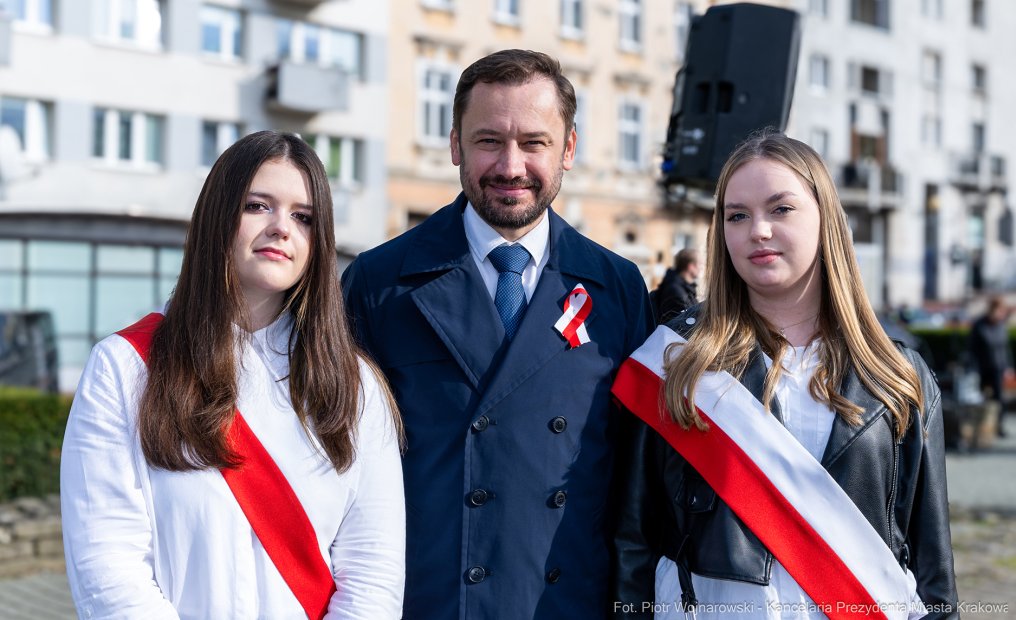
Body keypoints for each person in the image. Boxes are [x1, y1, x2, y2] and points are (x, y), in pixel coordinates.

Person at [341, 49, 654, 620]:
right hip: (429, 605)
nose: (511, 166)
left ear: (569, 149)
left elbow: (640, 490)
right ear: (455, 145)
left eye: (534, 142)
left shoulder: (618, 287)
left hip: (567, 605)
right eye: (488, 141)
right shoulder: (378, 283)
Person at [609, 131, 958, 619]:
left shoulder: (899, 375)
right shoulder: (675, 362)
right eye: (737, 215)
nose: (758, 231)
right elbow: (632, 545)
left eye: (781, 209)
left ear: (826, 220)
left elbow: (933, 568)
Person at [61, 131, 405, 620]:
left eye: (303, 217)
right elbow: (108, 566)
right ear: (216, 218)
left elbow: (374, 576)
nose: (282, 228)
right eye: (258, 206)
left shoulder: (355, 386)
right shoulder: (123, 367)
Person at [967, 296, 1016, 437]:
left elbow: (1006, 349)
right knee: (979, 398)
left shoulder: (1001, 326)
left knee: (999, 399)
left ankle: (998, 426)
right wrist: (973, 368)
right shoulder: (979, 325)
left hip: (998, 367)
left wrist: (1009, 367)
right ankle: (979, 427)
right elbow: (972, 349)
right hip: (982, 368)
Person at [651, 248, 701, 324]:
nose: (701, 267)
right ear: (690, 266)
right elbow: (688, 323)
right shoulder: (675, 291)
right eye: (700, 264)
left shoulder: (685, 289)